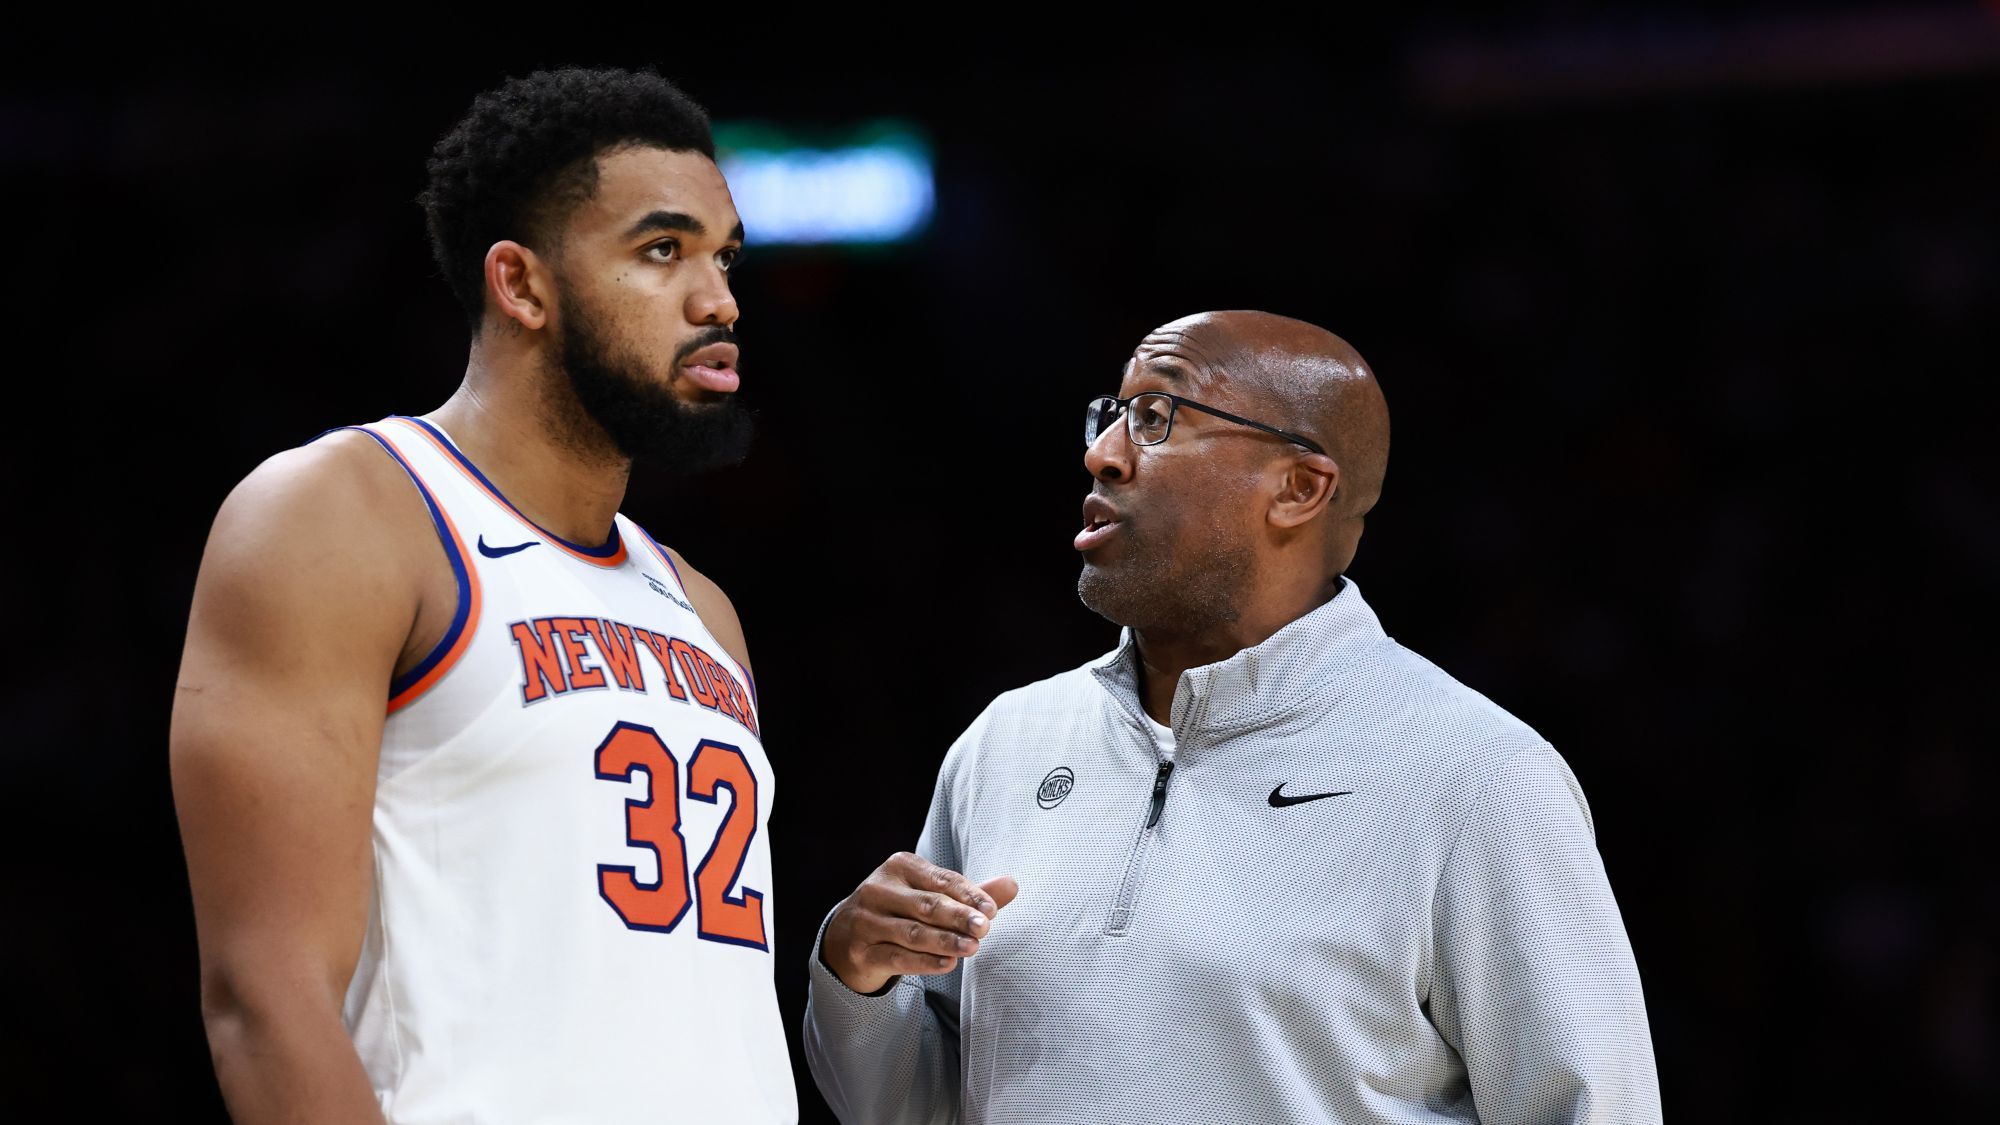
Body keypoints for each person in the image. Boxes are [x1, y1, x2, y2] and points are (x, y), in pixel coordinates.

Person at [803, 311, 1661, 1124]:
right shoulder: (1008, 742)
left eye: (1156, 415)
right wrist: (858, 977)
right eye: (1111, 415)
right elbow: (910, 1108)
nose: (1103, 455)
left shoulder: (1474, 772)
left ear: (1297, 488)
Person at [170, 68, 797, 1123]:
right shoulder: (343, 514)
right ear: (521, 284)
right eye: (662, 250)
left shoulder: (704, 609)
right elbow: (263, 1000)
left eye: (723, 255)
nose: (719, 299)